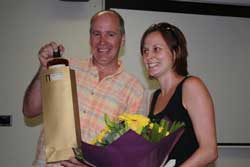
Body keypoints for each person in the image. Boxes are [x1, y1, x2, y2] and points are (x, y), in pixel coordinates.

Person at [22, 10, 147, 167]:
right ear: (90, 38)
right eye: (96, 33)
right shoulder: (65, 68)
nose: (102, 41)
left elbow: (128, 155)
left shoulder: (135, 90)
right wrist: (43, 68)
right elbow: (30, 110)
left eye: (110, 34)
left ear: (122, 40)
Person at [140, 22, 218, 166]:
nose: (148, 56)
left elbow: (209, 150)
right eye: (145, 51)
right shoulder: (155, 97)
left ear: (175, 52)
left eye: (156, 49)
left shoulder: (191, 86)